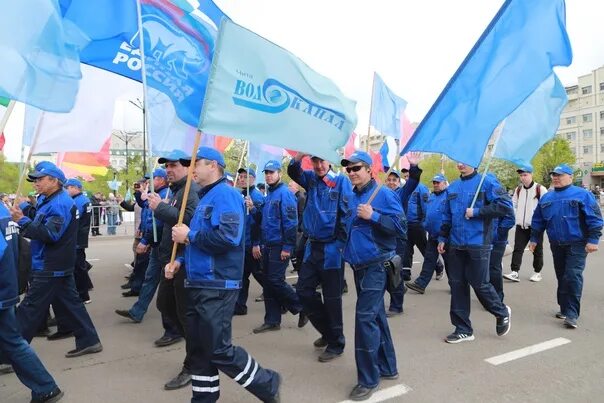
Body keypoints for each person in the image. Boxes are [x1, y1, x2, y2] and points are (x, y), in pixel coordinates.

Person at [168, 146, 281, 403]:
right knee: (198, 349)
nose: (192, 168)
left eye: (196, 163)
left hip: (217, 284)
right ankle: (203, 398)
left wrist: (190, 235)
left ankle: (267, 383)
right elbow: (198, 242)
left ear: (213, 166)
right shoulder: (205, 197)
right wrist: (180, 261)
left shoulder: (226, 195)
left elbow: (228, 238)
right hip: (197, 282)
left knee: (218, 349)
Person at [10, 161, 102, 357]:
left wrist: (22, 220)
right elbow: (40, 219)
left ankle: (9, 354)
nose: (36, 183)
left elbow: (50, 234)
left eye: (40, 179)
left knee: (29, 309)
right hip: (55, 263)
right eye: (35, 180)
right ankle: (89, 340)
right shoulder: (50, 199)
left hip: (50, 265)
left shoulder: (60, 203)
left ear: (55, 181)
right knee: (72, 305)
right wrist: (26, 210)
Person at [340, 151, 404, 401]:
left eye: (357, 168)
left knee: (365, 319)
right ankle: (389, 367)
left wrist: (374, 216)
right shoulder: (352, 195)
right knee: (376, 316)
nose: (352, 172)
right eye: (349, 169)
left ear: (370, 170)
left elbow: (401, 228)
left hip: (376, 266)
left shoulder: (384, 194)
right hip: (360, 266)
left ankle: (368, 379)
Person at [437, 162, 512, 344]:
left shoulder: (486, 182)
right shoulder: (453, 186)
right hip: (456, 243)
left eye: (466, 161)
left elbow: (504, 206)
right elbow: (447, 215)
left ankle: (501, 312)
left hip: (478, 242)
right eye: (459, 161)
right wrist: (442, 237)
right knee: (457, 285)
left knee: (480, 283)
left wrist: (477, 212)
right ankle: (463, 329)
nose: (461, 164)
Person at [287, 153, 350, 362]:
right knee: (304, 292)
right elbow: (293, 171)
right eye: (315, 161)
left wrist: (341, 245)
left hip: (332, 248)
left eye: (322, 160)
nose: (319, 165)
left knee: (332, 299)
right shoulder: (311, 179)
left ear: (329, 161)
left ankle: (336, 342)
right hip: (312, 246)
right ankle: (327, 332)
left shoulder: (341, 181)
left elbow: (347, 215)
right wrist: (299, 155)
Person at [0, 202, 65, 403]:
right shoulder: (3, 208)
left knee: (13, 341)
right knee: (13, 341)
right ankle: (45, 387)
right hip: (6, 285)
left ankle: (45, 387)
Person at [529, 164, 603, 329]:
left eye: (560, 175)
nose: (556, 177)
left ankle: (571, 314)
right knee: (562, 276)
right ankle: (564, 308)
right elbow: (538, 220)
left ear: (570, 177)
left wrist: (593, 239)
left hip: (577, 244)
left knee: (572, 276)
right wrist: (534, 239)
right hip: (556, 244)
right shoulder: (547, 198)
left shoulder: (582, 194)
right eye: (554, 175)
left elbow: (595, 218)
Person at [152, 151, 200, 390]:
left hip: (183, 261)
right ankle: (199, 349)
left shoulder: (191, 191)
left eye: (174, 166)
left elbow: (188, 222)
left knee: (184, 314)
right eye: (167, 166)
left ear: (188, 168)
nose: (169, 170)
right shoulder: (176, 190)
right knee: (165, 305)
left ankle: (194, 364)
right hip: (170, 260)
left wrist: (160, 208)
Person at [252, 160, 306, 334]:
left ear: (279, 173)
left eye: (271, 172)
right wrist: (253, 209)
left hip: (279, 245)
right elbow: (265, 220)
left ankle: (301, 306)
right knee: (268, 283)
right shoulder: (270, 195)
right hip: (268, 244)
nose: (268, 175)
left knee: (275, 281)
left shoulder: (284, 194)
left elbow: (291, 223)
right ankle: (272, 320)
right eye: (266, 172)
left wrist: (287, 247)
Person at [115, 168, 170, 323]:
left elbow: (157, 221)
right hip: (155, 243)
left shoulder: (166, 194)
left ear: (161, 179)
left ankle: (174, 324)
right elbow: (146, 213)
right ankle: (137, 311)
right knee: (150, 278)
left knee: (167, 284)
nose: (148, 183)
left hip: (162, 244)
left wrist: (146, 240)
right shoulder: (155, 194)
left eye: (152, 179)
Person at [503, 165, 548, 282]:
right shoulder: (518, 190)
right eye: (521, 175)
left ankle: (537, 272)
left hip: (536, 226)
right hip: (521, 225)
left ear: (531, 174)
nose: (523, 178)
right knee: (518, 249)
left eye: (525, 175)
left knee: (537, 250)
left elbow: (546, 206)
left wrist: (543, 222)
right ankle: (514, 272)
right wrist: (514, 217)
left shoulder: (540, 189)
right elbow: (513, 205)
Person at [407, 174, 448, 294]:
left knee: (450, 263)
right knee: (429, 260)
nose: (435, 184)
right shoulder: (432, 196)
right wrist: (425, 224)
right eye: (434, 182)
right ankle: (421, 284)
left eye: (438, 182)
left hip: (445, 236)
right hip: (433, 234)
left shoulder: (449, 196)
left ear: (445, 183)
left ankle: (456, 286)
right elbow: (427, 212)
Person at [234, 167, 265, 316]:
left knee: (261, 275)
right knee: (242, 276)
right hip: (243, 244)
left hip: (252, 244)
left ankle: (282, 300)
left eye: (245, 176)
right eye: (240, 176)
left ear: (253, 179)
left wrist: (256, 243)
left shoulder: (256, 197)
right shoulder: (243, 195)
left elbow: (259, 223)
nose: (241, 179)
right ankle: (240, 306)